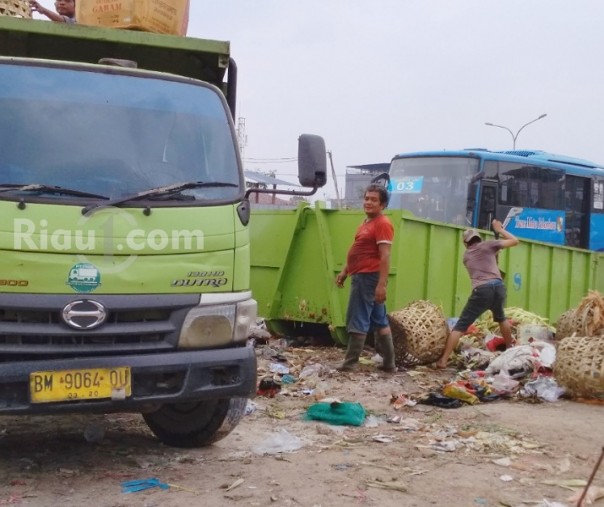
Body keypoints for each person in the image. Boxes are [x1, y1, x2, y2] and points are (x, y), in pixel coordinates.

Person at [435, 219, 519, 369]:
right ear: (479, 239)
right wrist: (499, 230)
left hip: (481, 290)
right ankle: (510, 349)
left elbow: (485, 257)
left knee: (460, 326)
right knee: (501, 318)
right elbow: (514, 241)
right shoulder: (489, 245)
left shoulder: (466, 256)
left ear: (466, 243)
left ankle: (443, 360)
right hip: (498, 287)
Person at [335, 184, 396, 373]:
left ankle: (350, 363)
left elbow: (385, 256)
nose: (368, 202)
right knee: (379, 320)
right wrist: (345, 271)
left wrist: (381, 285)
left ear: (383, 204)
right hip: (362, 275)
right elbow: (358, 251)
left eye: (373, 200)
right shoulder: (366, 223)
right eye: (367, 198)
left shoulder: (383, 224)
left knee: (358, 318)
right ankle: (389, 364)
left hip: (368, 277)